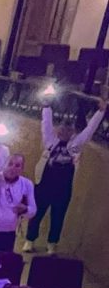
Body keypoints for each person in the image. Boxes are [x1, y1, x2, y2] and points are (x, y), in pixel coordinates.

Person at [23, 97, 106, 254]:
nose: (63, 132)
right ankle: (29, 240)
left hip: (63, 188)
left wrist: (100, 112)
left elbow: (89, 131)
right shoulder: (50, 141)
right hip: (44, 184)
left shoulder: (75, 146)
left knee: (58, 216)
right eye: (61, 129)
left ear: (72, 133)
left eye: (67, 130)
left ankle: (52, 243)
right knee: (37, 213)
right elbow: (46, 125)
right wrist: (47, 106)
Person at [0, 143, 36, 252]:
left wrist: (25, 209)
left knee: (3, 260)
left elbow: (33, 210)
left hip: (8, 231)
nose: (13, 167)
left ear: (22, 169)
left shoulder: (27, 184)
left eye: (17, 165)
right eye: (10, 164)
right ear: (5, 165)